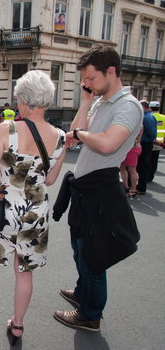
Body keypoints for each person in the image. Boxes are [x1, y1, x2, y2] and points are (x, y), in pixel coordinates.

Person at [0, 70, 66, 345]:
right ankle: (18, 326)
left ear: (23, 101)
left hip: (3, 210)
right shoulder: (60, 136)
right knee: (24, 271)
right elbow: (49, 179)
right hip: (35, 212)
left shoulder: (6, 129)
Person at [53, 45, 142, 331]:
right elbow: (77, 138)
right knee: (79, 248)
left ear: (110, 72)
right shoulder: (102, 102)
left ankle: (91, 314)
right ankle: (82, 295)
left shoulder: (128, 106)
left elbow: (107, 143)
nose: (86, 83)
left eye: (90, 78)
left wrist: (79, 133)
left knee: (93, 256)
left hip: (101, 191)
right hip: (84, 189)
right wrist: (85, 101)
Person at [136, 100, 157, 194]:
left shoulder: (147, 117)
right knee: (141, 165)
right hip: (145, 143)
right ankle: (140, 185)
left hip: (145, 143)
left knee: (142, 165)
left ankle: (141, 187)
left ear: (143, 107)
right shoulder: (148, 116)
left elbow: (152, 133)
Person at [120, 127, 143, 198]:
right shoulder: (139, 123)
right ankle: (126, 187)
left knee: (132, 170)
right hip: (133, 148)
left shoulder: (135, 123)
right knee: (123, 168)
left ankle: (133, 189)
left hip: (132, 148)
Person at [149, 101, 164, 182]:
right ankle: (151, 175)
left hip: (149, 141)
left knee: (147, 159)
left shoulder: (150, 117)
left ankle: (146, 175)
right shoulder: (163, 117)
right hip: (159, 142)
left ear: (150, 107)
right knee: (155, 160)